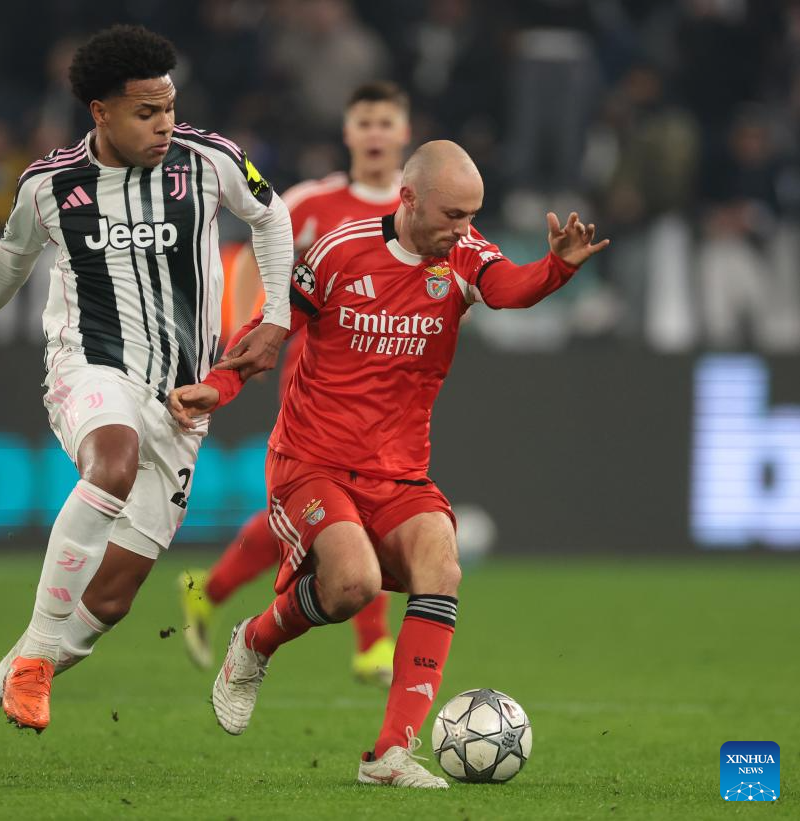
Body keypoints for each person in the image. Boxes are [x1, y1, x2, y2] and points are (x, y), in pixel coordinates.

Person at [169, 141, 609, 789]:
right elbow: (268, 332)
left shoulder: (464, 255)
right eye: (452, 214)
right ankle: (254, 642)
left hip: (399, 473)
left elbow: (509, 290)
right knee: (352, 584)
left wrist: (555, 268)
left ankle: (388, 754)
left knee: (442, 565)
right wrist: (217, 387)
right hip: (311, 463)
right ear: (407, 199)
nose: (464, 228)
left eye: (472, 215)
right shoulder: (339, 251)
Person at [0, 24, 294, 773]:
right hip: (89, 366)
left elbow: (270, 216)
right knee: (111, 463)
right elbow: (10, 257)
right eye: (146, 112)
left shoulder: (208, 160)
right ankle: (31, 662)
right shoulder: (50, 185)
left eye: (169, 107)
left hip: (180, 399)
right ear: (100, 111)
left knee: (108, 604)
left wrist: (275, 317)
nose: (164, 124)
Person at [179, 81, 410, 686]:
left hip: (388, 381)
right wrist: (252, 330)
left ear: (404, 133)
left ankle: (209, 589)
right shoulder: (311, 202)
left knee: (309, 513)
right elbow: (255, 255)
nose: (376, 133)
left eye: (386, 122)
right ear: (348, 132)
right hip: (315, 378)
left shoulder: (419, 208)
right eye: (365, 122)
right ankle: (373, 644)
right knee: (354, 500)